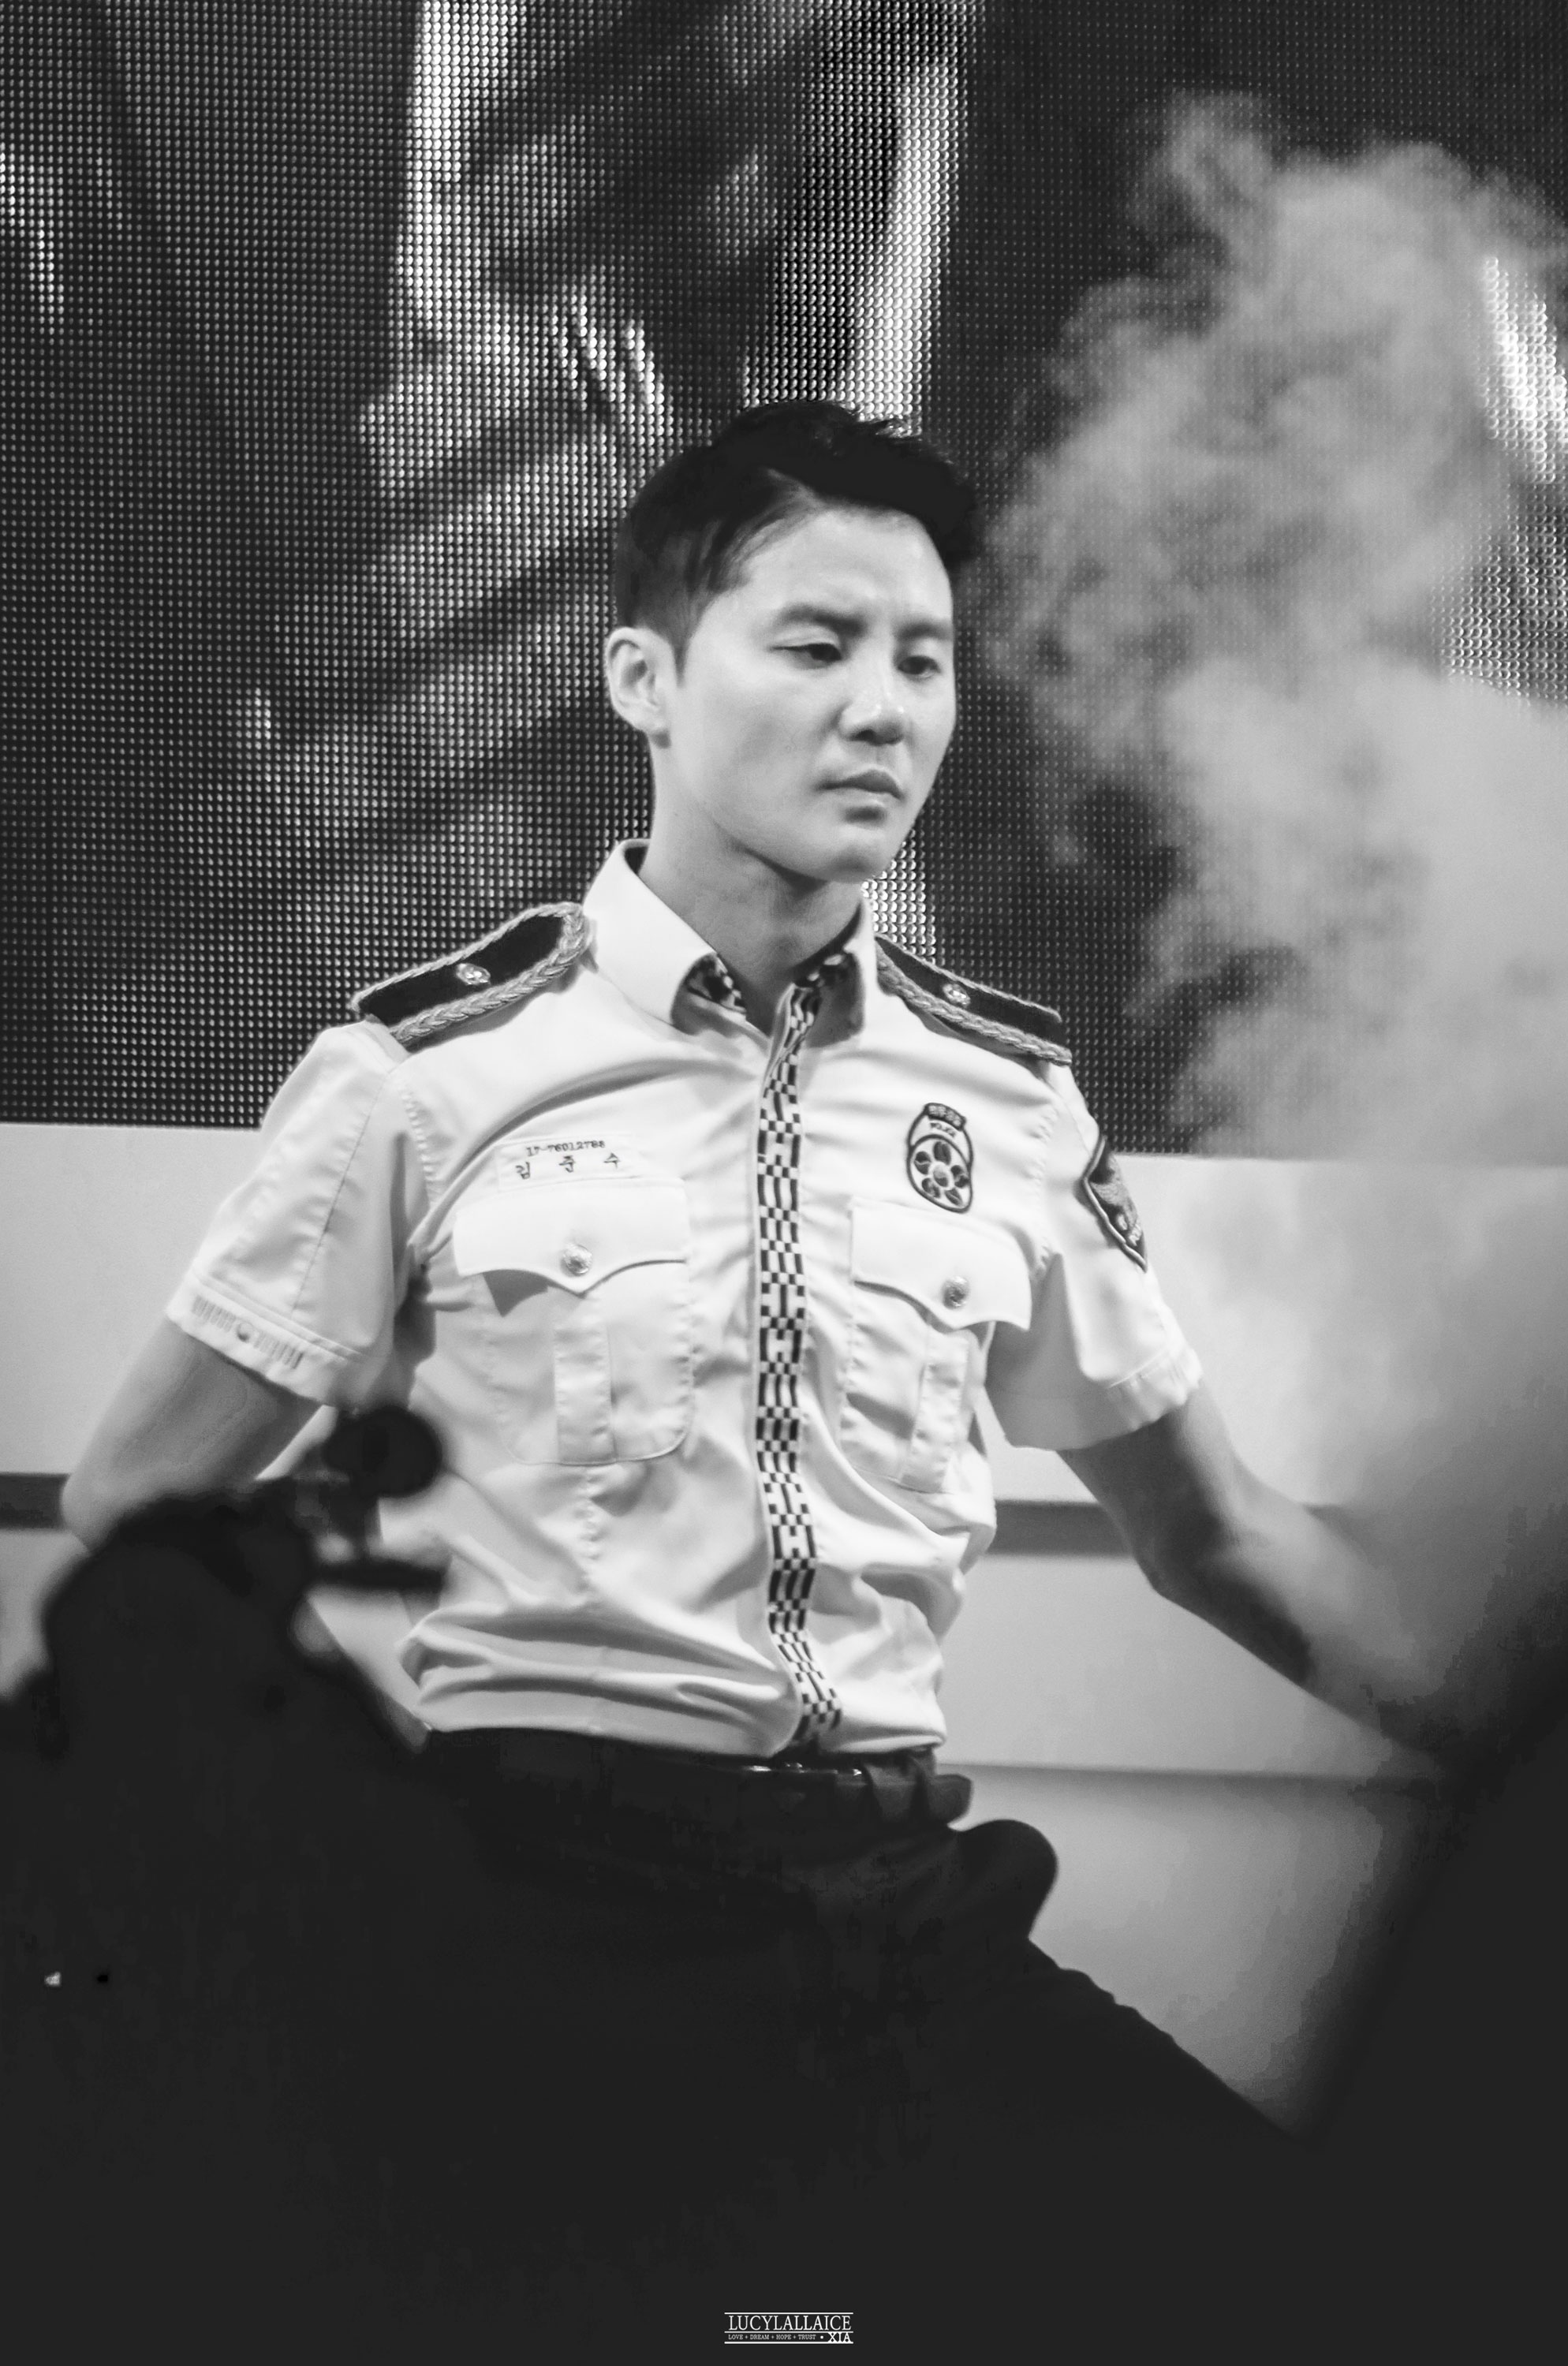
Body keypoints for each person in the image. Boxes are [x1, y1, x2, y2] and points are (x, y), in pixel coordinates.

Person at [62, 401, 1432, 2353]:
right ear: (645, 678)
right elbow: (139, 1502)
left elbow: (1221, 1536)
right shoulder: (427, 1074)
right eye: (815, 644)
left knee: (1327, 2288)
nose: (882, 709)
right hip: (530, 1921)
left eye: (923, 659)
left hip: (895, 1915)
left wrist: (1503, 1727)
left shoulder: (1007, 1101)